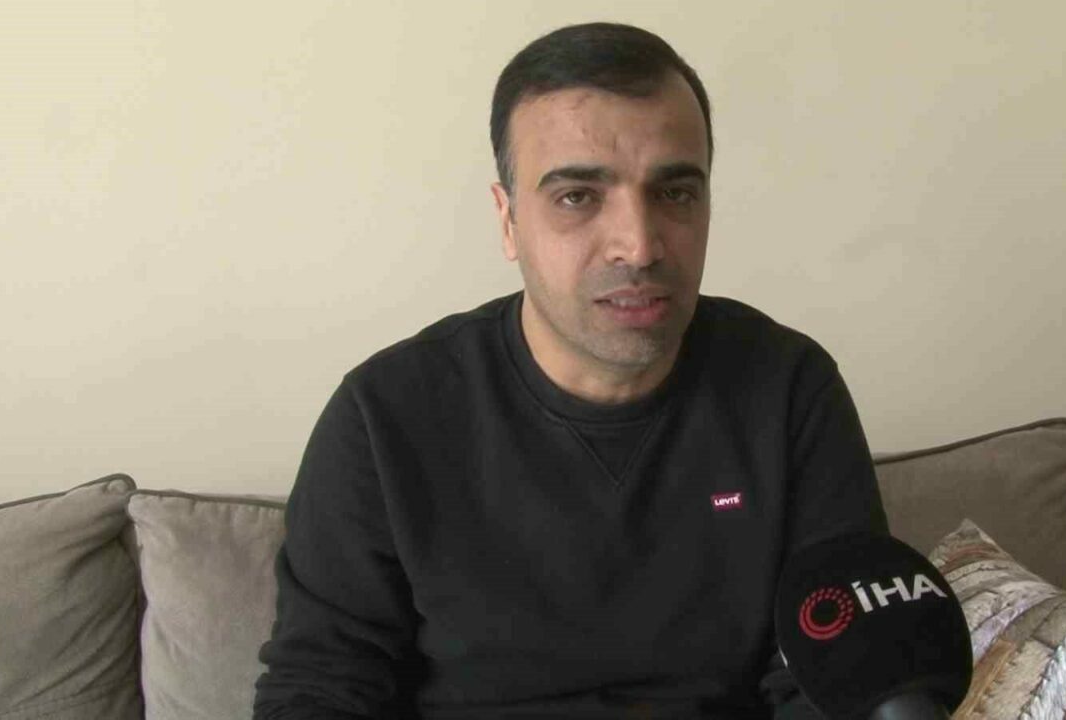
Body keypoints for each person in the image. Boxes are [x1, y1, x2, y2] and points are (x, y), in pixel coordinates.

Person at [254, 22, 887, 719]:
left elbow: (832, 672)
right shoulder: (384, 416)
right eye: (577, 196)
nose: (638, 246)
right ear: (507, 220)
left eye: (675, 193)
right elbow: (320, 688)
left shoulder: (790, 389)